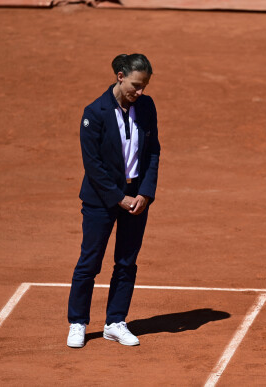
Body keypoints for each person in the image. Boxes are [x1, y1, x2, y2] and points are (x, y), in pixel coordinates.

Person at [66, 53, 160, 348]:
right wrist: (119, 198)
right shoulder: (95, 112)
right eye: (136, 85)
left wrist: (144, 193)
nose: (140, 92)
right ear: (120, 76)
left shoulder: (146, 106)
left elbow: (153, 151)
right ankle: (77, 322)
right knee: (89, 262)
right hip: (101, 200)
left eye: (144, 85)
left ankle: (115, 322)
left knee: (126, 263)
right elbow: (93, 165)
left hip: (136, 199)